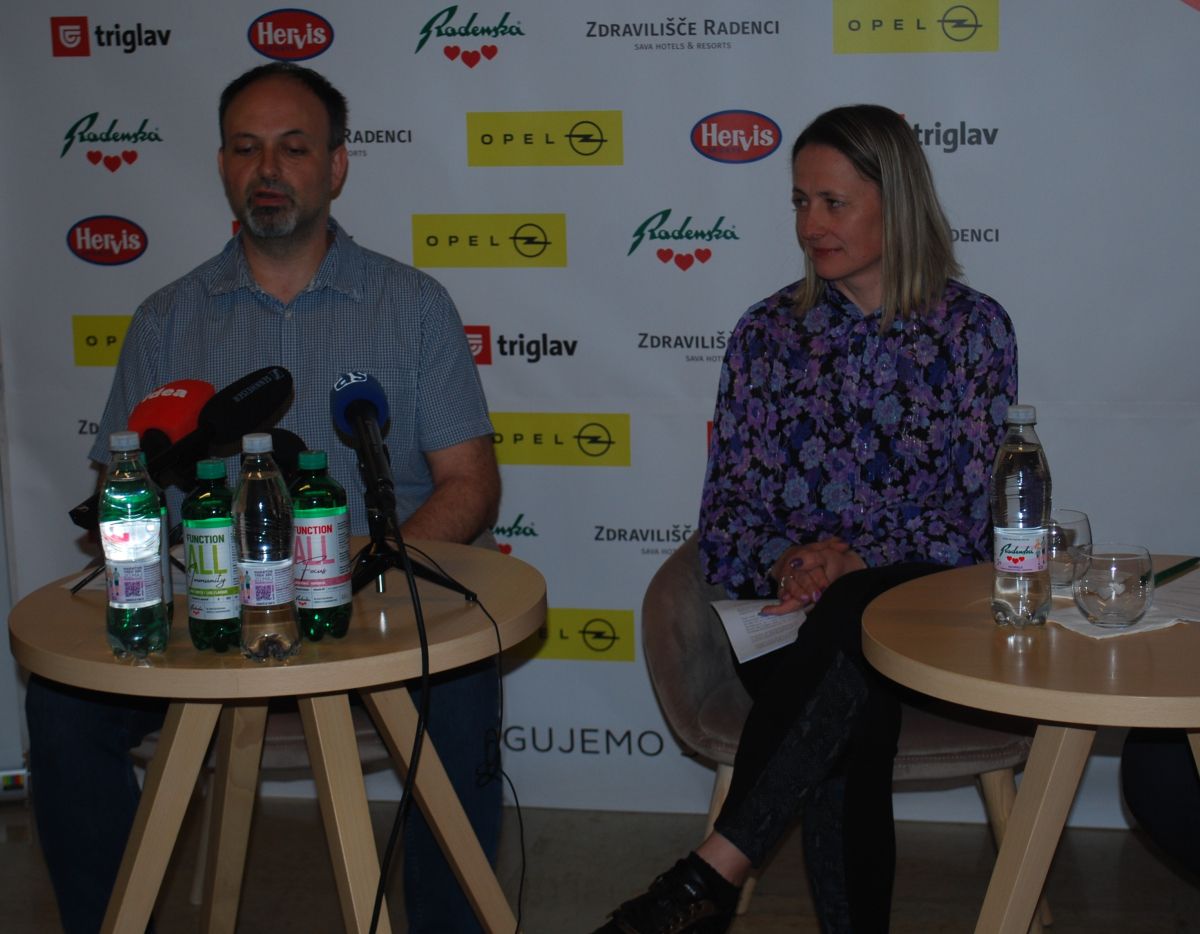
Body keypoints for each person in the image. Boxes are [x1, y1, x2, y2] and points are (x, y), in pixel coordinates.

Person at [25, 63, 502, 934]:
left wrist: (362, 579)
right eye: (246, 149)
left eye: (293, 148)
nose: (268, 169)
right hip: (207, 622)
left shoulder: (412, 306)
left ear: (337, 166)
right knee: (61, 708)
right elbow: (122, 494)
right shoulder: (166, 320)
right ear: (222, 166)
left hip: (373, 612)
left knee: (464, 687)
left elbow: (469, 484)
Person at [594, 104, 1017, 933]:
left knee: (856, 615)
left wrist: (852, 558)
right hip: (785, 616)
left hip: (926, 620)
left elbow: (972, 518)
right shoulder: (766, 333)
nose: (810, 225)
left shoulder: (973, 331)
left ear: (896, 201)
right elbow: (726, 510)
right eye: (799, 202)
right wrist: (793, 561)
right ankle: (717, 888)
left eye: (833, 202)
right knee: (849, 691)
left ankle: (710, 876)